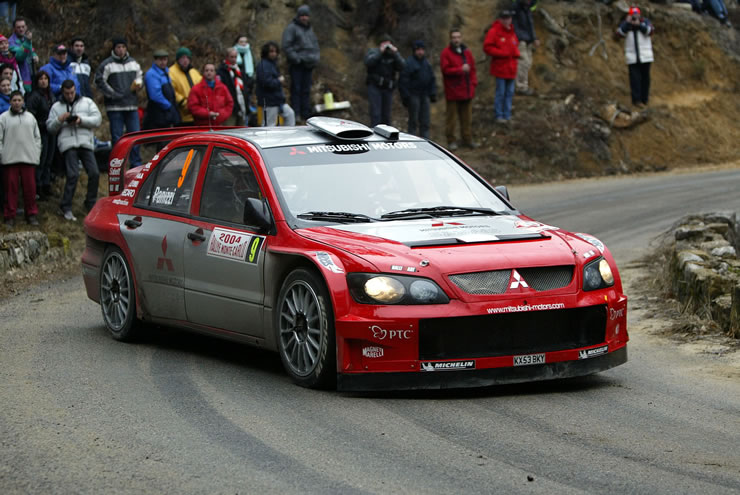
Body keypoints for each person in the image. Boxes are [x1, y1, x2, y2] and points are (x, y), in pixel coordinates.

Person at [46, 79, 102, 221]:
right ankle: (66, 206)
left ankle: (90, 203)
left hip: (85, 142)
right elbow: (50, 128)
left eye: (72, 92)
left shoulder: (87, 102)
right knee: (72, 175)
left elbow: (97, 119)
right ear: (63, 92)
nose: (70, 96)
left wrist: (80, 120)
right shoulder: (57, 106)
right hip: (68, 144)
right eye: (66, 93)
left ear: (75, 90)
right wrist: (60, 120)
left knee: (94, 172)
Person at [95, 36, 142, 165]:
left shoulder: (133, 63)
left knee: (135, 136)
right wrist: (112, 94)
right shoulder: (107, 64)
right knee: (117, 138)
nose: (121, 50)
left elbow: (140, 77)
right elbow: (99, 81)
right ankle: (118, 165)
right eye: (118, 47)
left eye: (123, 47)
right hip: (115, 107)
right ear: (114, 49)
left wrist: (138, 85)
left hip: (131, 105)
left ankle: (136, 164)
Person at [0, 90, 41, 228]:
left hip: (28, 159)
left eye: (19, 100)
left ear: (23, 101)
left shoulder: (30, 117)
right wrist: (2, 154)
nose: (17, 103)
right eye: (14, 100)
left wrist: (36, 155)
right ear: (10, 102)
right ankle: (9, 216)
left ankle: (31, 214)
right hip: (10, 159)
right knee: (10, 190)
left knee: (30, 189)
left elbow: (37, 138)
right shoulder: (3, 118)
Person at [440, 28, 478, 150]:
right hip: (453, 91)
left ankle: (467, 139)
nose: (456, 40)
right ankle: (451, 140)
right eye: (454, 37)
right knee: (451, 118)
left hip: (467, 91)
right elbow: (445, 70)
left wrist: (473, 84)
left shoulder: (467, 52)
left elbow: (472, 69)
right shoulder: (446, 53)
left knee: (467, 118)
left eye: (458, 37)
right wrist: (459, 70)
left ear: (461, 38)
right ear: (451, 39)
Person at [281, 4, 320, 123]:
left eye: (306, 15)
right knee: (296, 89)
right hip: (297, 65)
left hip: (309, 64)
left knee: (306, 90)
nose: (304, 18)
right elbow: (286, 46)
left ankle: (306, 114)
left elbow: (315, 46)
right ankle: (296, 113)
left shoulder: (310, 29)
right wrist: (296, 59)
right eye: (302, 15)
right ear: (298, 16)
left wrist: (315, 58)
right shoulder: (292, 28)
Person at [484, 10, 520, 124]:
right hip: (500, 68)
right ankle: (499, 115)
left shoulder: (512, 32)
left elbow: (515, 46)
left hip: (511, 69)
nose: (507, 20)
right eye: (504, 18)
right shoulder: (494, 31)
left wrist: (516, 54)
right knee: (501, 93)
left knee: (509, 93)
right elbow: (487, 47)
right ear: (500, 19)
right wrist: (502, 53)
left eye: (508, 18)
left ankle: (507, 115)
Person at [25, 70, 56, 200]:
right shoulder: (34, 96)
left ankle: (46, 184)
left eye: (45, 79)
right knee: (41, 160)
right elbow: (31, 117)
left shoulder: (51, 95)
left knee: (49, 159)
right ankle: (37, 187)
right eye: (41, 79)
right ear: (37, 81)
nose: (43, 81)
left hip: (51, 131)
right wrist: (43, 124)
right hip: (40, 131)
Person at [616, 6, 654, 108]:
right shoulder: (626, 23)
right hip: (632, 56)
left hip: (645, 56)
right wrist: (627, 24)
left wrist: (640, 25)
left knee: (645, 79)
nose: (634, 17)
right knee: (635, 79)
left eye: (636, 15)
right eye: (633, 16)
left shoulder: (645, 21)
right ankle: (636, 101)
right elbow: (618, 34)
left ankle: (644, 100)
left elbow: (650, 31)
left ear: (640, 15)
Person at [399, 40, 436, 139]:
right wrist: (406, 96)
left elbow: (432, 78)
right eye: (418, 50)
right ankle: (412, 140)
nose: (420, 52)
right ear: (414, 51)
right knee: (413, 121)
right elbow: (403, 81)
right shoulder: (409, 63)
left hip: (425, 95)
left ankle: (426, 141)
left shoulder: (426, 63)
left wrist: (432, 93)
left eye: (422, 50)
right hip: (413, 95)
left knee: (425, 121)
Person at [364, 35, 405, 127]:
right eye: (384, 43)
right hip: (374, 86)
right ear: (380, 44)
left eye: (388, 43)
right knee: (376, 114)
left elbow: (402, 66)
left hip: (388, 88)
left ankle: (386, 138)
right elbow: (368, 63)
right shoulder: (373, 52)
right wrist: (380, 52)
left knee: (386, 116)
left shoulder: (393, 55)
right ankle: (374, 136)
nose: (386, 46)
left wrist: (396, 53)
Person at [255, 41, 295, 127]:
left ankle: (287, 137)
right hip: (269, 101)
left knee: (290, 115)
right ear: (266, 52)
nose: (274, 54)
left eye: (275, 51)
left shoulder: (272, 64)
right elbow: (266, 83)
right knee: (269, 126)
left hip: (277, 100)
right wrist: (279, 81)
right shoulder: (263, 65)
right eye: (271, 51)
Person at [143, 49, 181, 130]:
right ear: (155, 60)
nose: (163, 62)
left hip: (166, 112)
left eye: (165, 59)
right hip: (157, 112)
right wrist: (168, 106)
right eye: (160, 60)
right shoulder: (152, 74)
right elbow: (155, 95)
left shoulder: (166, 72)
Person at [216, 47, 252, 126]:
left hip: (241, 107)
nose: (233, 59)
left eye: (235, 57)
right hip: (229, 108)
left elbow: (245, 88)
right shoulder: (222, 71)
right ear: (227, 57)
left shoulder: (239, 70)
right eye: (231, 57)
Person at [511, 0, 539, 95]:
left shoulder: (527, 8)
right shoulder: (516, 7)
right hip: (520, 40)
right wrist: (520, 38)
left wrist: (534, 38)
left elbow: (530, 24)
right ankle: (520, 87)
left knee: (528, 63)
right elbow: (514, 25)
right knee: (523, 62)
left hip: (528, 40)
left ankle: (524, 85)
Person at [169, 46, 202, 125]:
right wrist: (184, 102)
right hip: (182, 114)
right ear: (178, 59)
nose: (185, 60)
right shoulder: (171, 72)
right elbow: (172, 90)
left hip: (196, 113)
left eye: (187, 58)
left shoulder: (194, 72)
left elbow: (201, 86)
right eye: (182, 58)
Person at [8, 17, 38, 92]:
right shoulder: (11, 42)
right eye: (18, 27)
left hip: (31, 72)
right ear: (14, 29)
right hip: (21, 77)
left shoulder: (25, 38)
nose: (21, 29)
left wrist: (34, 55)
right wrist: (28, 42)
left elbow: (31, 51)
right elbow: (20, 56)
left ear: (26, 27)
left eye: (23, 27)